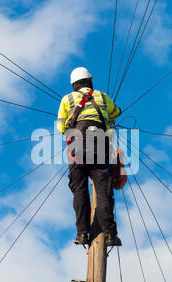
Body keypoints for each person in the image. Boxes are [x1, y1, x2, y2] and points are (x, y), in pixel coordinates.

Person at [57, 67, 122, 247]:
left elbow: (61, 128)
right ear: (90, 81)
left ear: (73, 85)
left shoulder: (67, 99)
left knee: (79, 189)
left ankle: (82, 234)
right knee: (103, 191)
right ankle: (109, 234)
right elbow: (116, 112)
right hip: (100, 144)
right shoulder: (101, 96)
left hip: (76, 148)